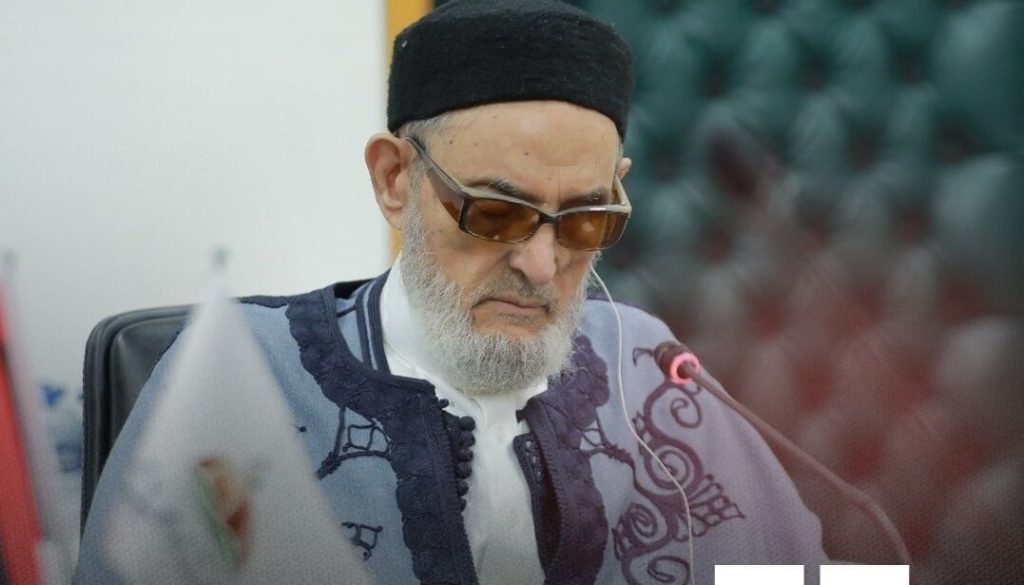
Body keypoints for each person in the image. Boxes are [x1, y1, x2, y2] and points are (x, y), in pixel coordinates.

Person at [76, 1, 830, 583]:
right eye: (495, 214)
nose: (541, 265)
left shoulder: (650, 368)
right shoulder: (247, 373)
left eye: (584, 221)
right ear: (394, 179)